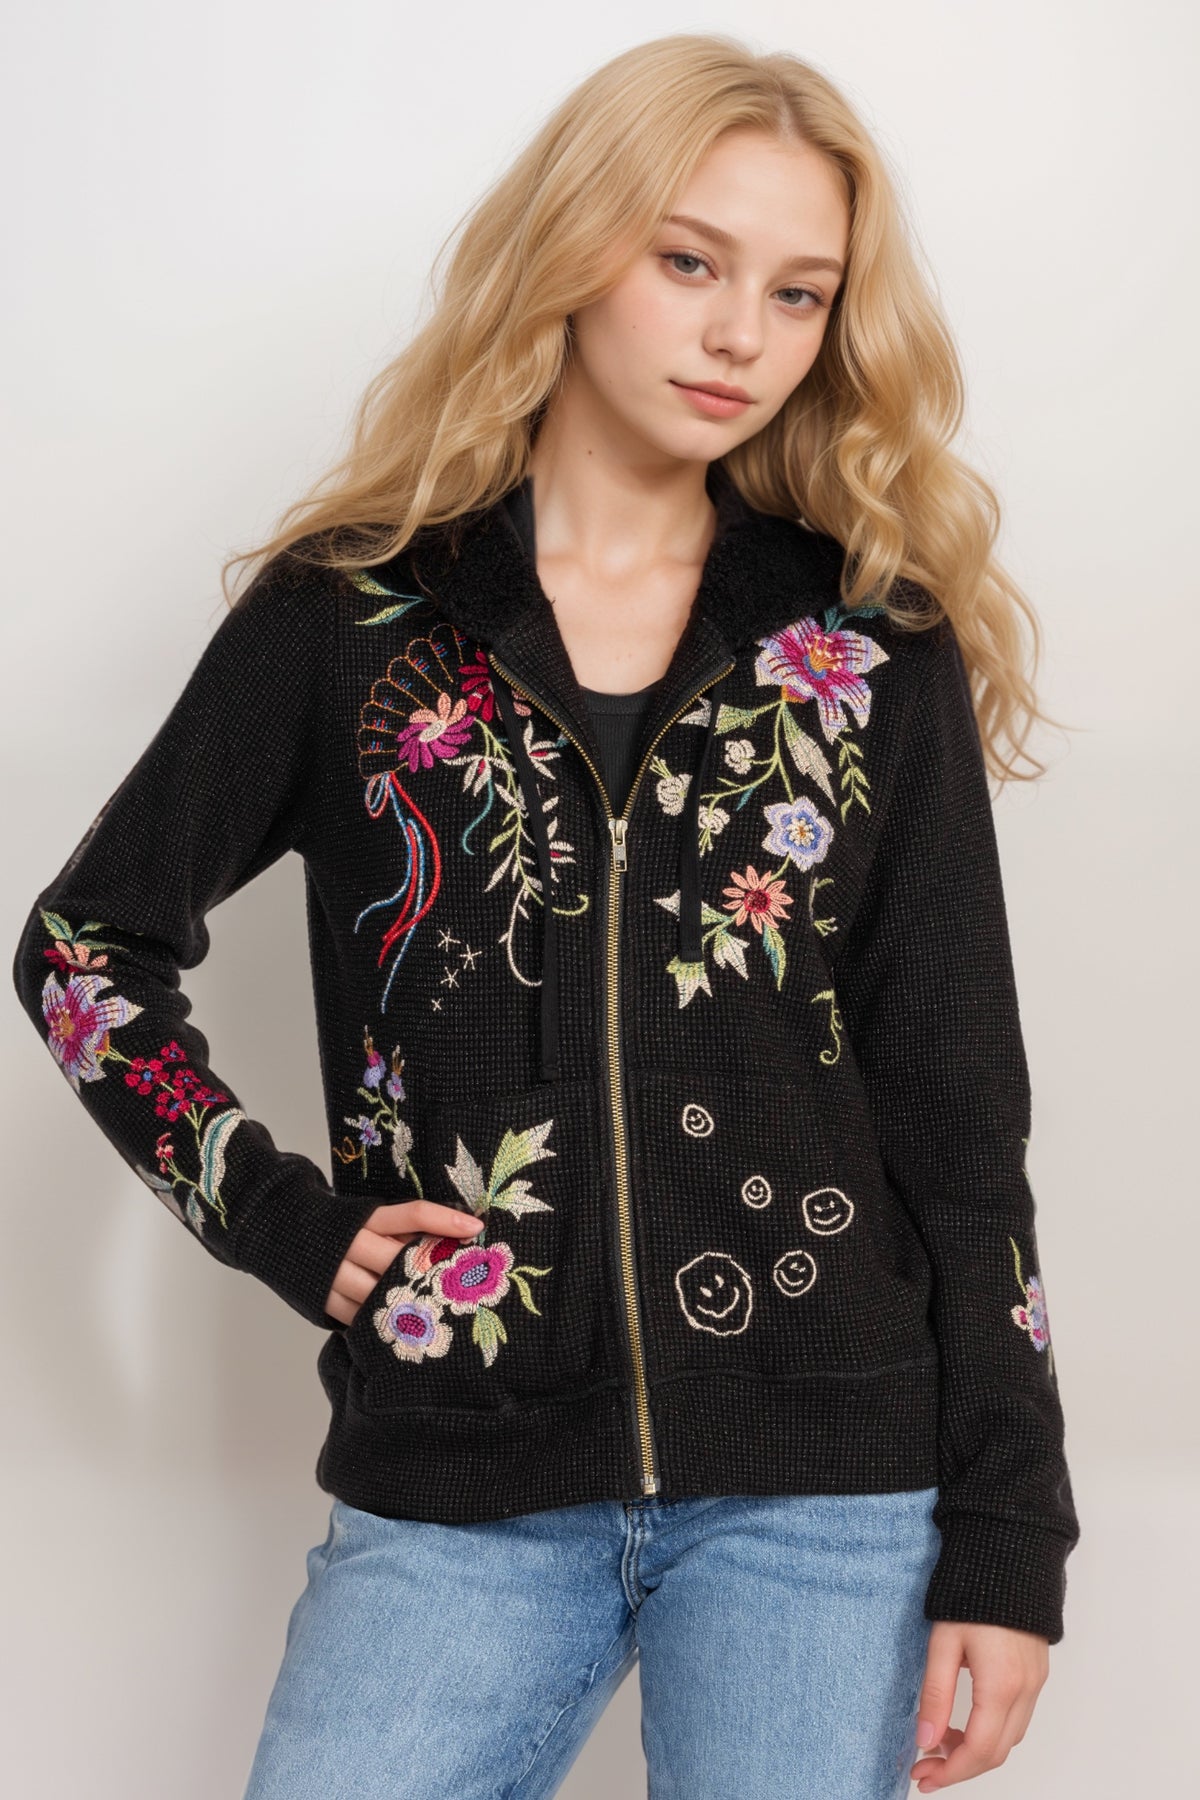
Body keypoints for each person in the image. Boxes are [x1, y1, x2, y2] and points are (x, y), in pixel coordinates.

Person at [10, 32, 1080, 1800]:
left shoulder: (867, 650)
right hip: (460, 1469)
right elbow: (81, 949)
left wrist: (1009, 1539)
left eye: (800, 293)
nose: (742, 336)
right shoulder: (354, 620)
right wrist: (280, 1220)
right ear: (573, 252)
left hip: (821, 1487)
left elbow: (964, 1130)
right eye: (690, 261)